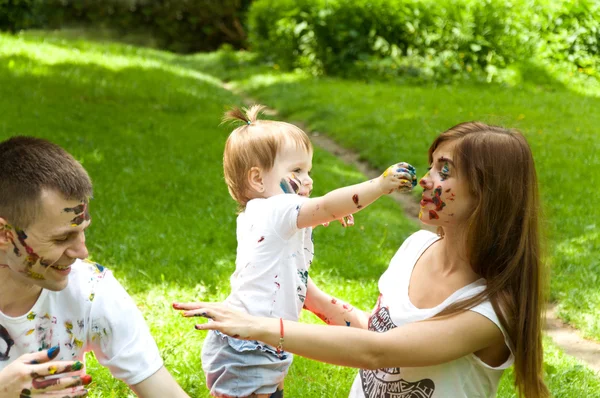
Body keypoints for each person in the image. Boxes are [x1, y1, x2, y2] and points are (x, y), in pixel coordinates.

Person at [174, 121, 549, 398]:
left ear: (488, 194)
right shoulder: (416, 248)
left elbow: (376, 352)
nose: (425, 180)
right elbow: (377, 331)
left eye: (444, 171)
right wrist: (308, 294)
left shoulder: (493, 310)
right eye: (431, 166)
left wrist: (256, 326)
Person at [172, 105, 417, 398]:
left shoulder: (264, 211)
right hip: (250, 345)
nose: (309, 179)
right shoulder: (276, 208)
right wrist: (379, 185)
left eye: (308, 170)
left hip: (260, 335)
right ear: (258, 179)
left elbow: (313, 217)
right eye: (297, 170)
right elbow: (325, 204)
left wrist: (327, 214)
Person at [0, 137, 189, 398]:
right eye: (61, 238)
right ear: (4, 234)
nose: (82, 252)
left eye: (81, 232)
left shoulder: (91, 290)